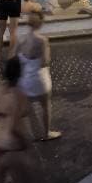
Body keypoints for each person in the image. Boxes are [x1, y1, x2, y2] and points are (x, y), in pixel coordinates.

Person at [16, 12, 61, 142]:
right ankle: (46, 133)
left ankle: (16, 133)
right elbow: (45, 62)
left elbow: (17, 58)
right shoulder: (42, 40)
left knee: (24, 108)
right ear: (40, 23)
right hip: (39, 79)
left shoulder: (21, 38)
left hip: (25, 79)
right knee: (46, 106)